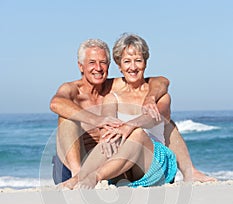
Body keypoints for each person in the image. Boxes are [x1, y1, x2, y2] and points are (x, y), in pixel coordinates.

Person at [50, 37, 215, 185]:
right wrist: (98, 121)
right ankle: (79, 174)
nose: (98, 68)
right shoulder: (82, 90)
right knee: (69, 119)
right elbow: (56, 103)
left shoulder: (122, 87)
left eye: (103, 62)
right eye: (92, 62)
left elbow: (162, 81)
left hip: (135, 159)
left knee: (159, 126)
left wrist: (149, 100)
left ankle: (190, 171)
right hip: (90, 160)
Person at [61, 34, 177, 189]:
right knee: (111, 134)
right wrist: (105, 127)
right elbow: (56, 103)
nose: (133, 67)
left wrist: (130, 124)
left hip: (154, 163)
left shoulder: (158, 92)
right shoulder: (113, 93)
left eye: (138, 60)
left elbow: (155, 115)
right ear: (119, 65)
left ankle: (95, 177)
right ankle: (79, 177)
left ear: (145, 63)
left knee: (137, 133)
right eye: (127, 61)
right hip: (124, 168)